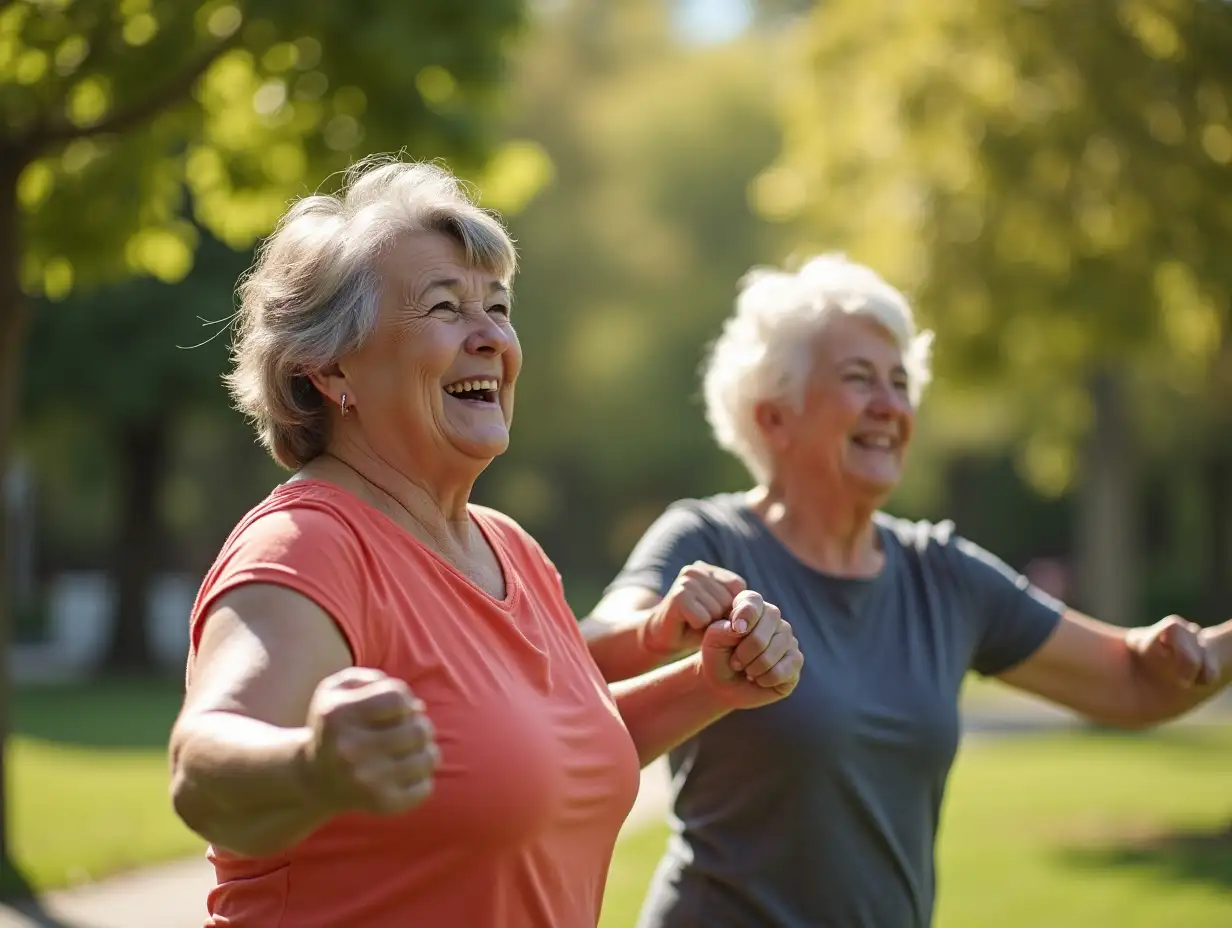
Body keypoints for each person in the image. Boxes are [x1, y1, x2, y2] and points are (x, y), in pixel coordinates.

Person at [167, 155, 805, 928]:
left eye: (497, 307)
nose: (490, 337)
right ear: (332, 369)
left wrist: (708, 685)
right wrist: (314, 767)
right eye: (445, 308)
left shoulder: (508, 548)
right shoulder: (306, 545)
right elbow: (202, 766)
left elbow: (546, 759)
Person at [582, 253, 1232, 928]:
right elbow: (582, 657)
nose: (891, 406)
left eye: (900, 382)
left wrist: (1177, 652)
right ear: (774, 416)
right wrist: (660, 627)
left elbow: (1137, 683)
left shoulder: (942, 574)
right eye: (860, 379)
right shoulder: (707, 540)